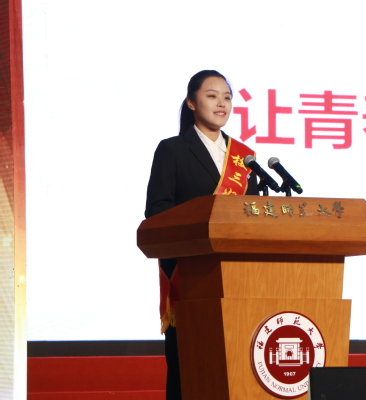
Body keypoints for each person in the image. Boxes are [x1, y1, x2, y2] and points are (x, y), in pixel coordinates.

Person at [144, 70, 258, 400]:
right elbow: (157, 210)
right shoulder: (173, 149)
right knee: (190, 369)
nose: (222, 103)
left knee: (233, 366)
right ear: (192, 103)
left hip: (237, 279)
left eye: (227, 97)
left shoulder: (244, 157)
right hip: (190, 275)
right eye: (212, 96)